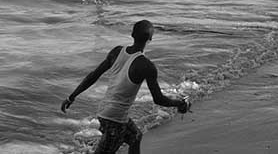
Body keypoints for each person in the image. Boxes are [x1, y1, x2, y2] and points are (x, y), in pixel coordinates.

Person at [60, 20, 190, 154]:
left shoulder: (117, 52)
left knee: (135, 137)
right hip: (115, 119)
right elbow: (158, 99)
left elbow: (93, 76)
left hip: (104, 112)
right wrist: (179, 103)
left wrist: (71, 97)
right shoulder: (147, 66)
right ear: (150, 39)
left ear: (132, 34)